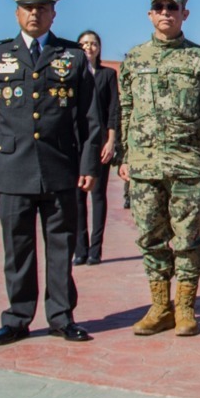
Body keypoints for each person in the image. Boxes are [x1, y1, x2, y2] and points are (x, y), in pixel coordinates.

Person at [0, 0, 101, 346]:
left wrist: (89, 166)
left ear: (53, 13)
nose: (34, 14)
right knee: (18, 250)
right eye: (27, 7)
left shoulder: (71, 57)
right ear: (16, 13)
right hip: (12, 170)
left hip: (61, 169)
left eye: (42, 8)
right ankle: (17, 317)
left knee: (61, 249)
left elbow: (90, 120)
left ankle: (61, 316)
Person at [118, 0, 200, 338]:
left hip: (186, 163)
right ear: (150, 14)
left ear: (185, 13)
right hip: (145, 165)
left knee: (187, 238)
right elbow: (125, 110)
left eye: (172, 7)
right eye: (160, 7)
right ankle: (159, 306)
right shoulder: (134, 58)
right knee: (150, 237)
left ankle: (185, 307)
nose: (166, 13)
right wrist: (124, 155)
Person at [73, 30, 120, 266]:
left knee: (98, 196)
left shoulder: (107, 75)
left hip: (101, 143)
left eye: (93, 44)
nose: (89, 48)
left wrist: (111, 141)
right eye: (84, 44)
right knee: (77, 197)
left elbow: (114, 110)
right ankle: (80, 249)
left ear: (99, 48)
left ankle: (95, 250)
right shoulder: (71, 76)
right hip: (76, 144)